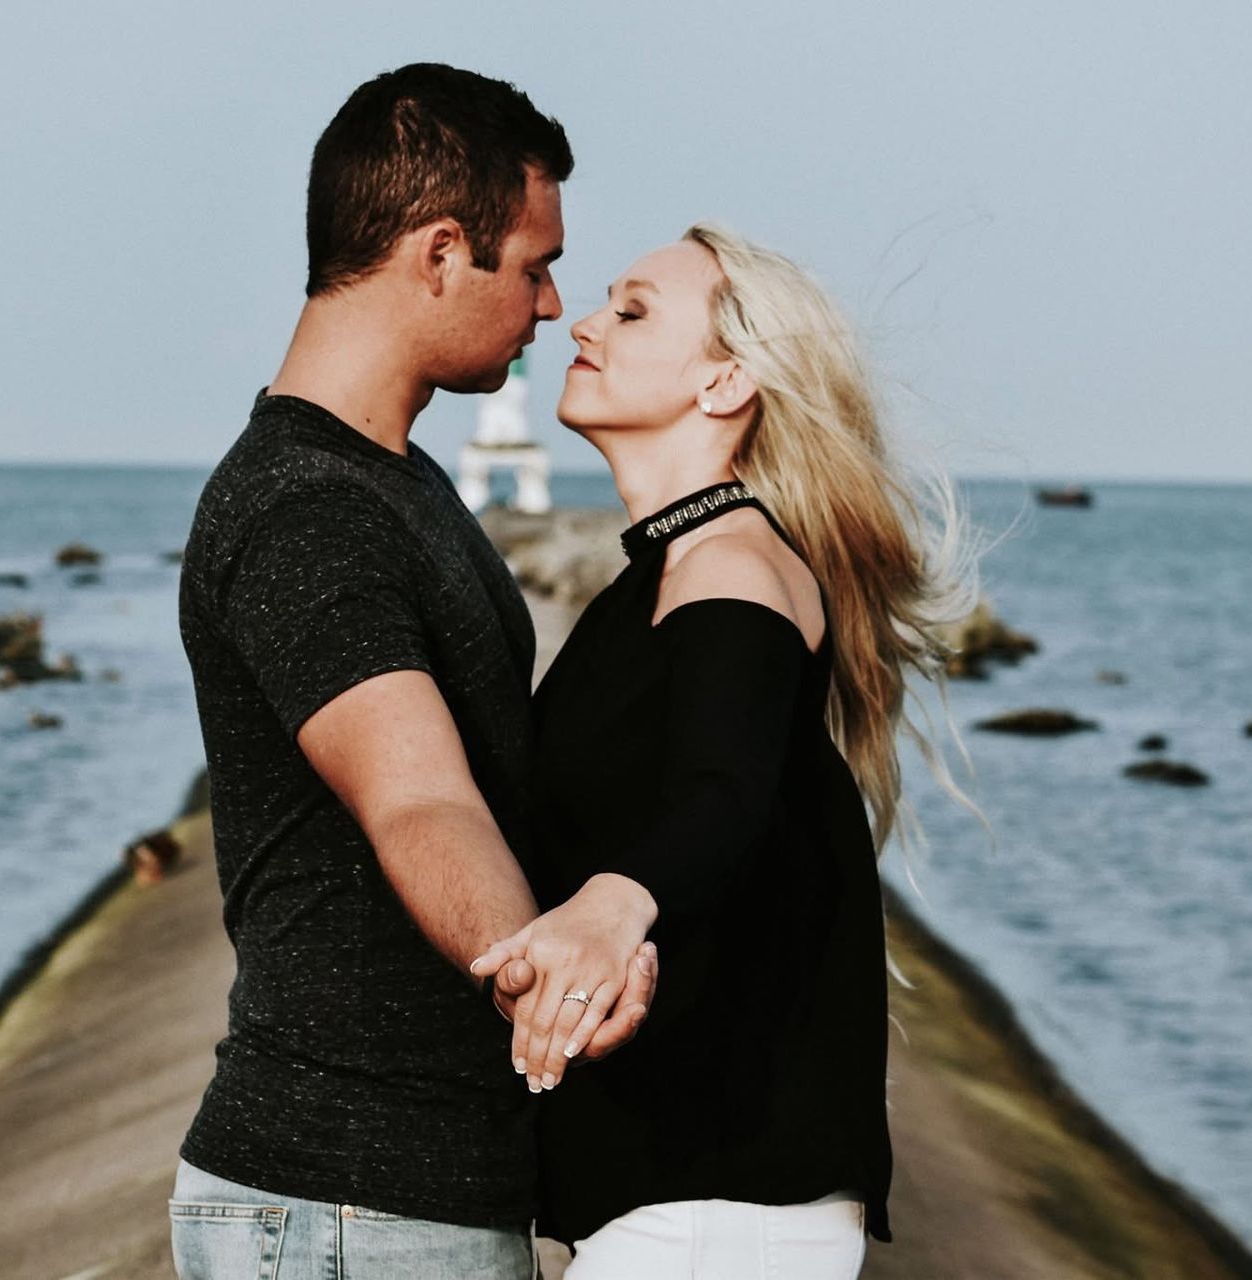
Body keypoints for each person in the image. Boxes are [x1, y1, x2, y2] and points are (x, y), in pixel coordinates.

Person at [169, 64, 658, 1280]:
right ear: (441, 253)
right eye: (534, 265)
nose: (553, 305)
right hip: (343, 1198)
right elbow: (420, 797)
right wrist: (544, 969)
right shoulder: (304, 507)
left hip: (391, 1196)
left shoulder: (395, 480)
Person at [470, 223, 983, 1277]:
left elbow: (724, 790)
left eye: (633, 309)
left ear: (725, 381)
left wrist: (611, 907)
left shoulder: (731, 568)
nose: (585, 322)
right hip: (686, 1205)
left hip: (718, 1212)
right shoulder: (664, 573)